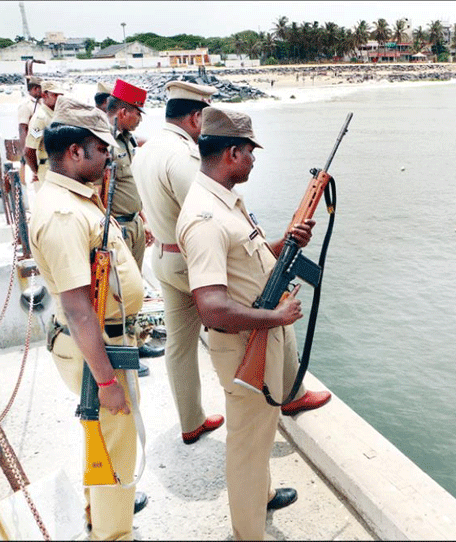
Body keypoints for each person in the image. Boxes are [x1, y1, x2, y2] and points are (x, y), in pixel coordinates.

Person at [176, 107, 316, 538]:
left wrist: (283, 242)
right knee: (248, 447)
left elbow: (245, 259)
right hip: (242, 347)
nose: (255, 160)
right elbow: (212, 307)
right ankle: (249, 531)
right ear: (232, 153)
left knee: (259, 434)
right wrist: (275, 316)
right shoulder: (205, 219)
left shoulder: (224, 202)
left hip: (255, 339)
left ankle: (262, 494)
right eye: (251, 152)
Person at [28, 96, 147, 540]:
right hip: (98, 346)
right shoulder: (62, 213)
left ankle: (99, 507)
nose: (109, 158)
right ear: (75, 152)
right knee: (117, 445)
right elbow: (79, 311)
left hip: (103, 339)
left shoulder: (74, 196)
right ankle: (113, 533)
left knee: (103, 436)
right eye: (102, 150)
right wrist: (108, 383)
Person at [132, 80, 226, 444]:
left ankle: (191, 421)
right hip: (190, 261)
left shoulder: (149, 148)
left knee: (180, 346)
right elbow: (208, 211)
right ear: (197, 117)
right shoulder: (182, 155)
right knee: (257, 321)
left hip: (164, 258)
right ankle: (282, 399)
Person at [105, 79, 163, 365]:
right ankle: (124, 352)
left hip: (134, 223)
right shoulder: (104, 142)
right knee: (119, 293)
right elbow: (97, 189)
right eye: (138, 112)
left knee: (136, 287)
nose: (140, 119)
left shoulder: (126, 140)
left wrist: (143, 219)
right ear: (124, 111)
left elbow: (130, 185)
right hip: (116, 227)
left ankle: (137, 342)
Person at [23, 80, 65, 190]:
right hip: (48, 169)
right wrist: (37, 172)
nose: (59, 98)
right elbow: (29, 151)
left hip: (59, 168)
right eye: (55, 95)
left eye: (61, 95)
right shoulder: (40, 119)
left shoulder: (56, 115)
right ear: (44, 95)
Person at [17, 75, 42, 154]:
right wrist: (25, 152)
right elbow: (22, 129)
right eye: (42, 89)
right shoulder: (26, 105)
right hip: (32, 146)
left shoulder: (39, 103)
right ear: (35, 89)